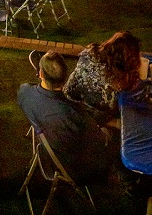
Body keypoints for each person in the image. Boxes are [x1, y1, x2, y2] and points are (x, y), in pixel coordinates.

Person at [18, 51, 112, 182]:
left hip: (46, 151)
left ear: (40, 74)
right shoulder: (75, 112)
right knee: (111, 136)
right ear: (65, 78)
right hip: (73, 168)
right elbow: (100, 141)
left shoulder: (24, 92)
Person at [64, 31, 149, 124]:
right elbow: (119, 108)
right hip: (84, 116)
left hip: (65, 102)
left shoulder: (88, 54)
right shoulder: (114, 84)